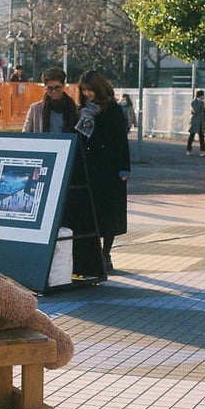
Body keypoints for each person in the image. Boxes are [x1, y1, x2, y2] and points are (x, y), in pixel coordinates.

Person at [75, 70, 130, 272]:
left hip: (109, 168)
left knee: (109, 213)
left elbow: (120, 140)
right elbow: (79, 138)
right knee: (91, 213)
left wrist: (124, 168)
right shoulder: (82, 111)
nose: (87, 94)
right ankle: (96, 253)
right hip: (88, 167)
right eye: (84, 91)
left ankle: (106, 253)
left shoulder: (113, 109)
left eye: (90, 90)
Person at [22, 67, 78, 134]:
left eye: (57, 87)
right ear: (45, 87)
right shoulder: (35, 109)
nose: (54, 91)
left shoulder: (76, 109)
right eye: (50, 88)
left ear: (63, 85)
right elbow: (25, 135)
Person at [186, 90, 205, 156]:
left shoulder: (202, 102)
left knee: (201, 137)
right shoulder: (194, 102)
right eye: (203, 95)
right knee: (192, 136)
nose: (204, 96)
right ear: (201, 95)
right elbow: (196, 110)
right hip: (194, 121)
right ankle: (189, 150)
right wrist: (201, 103)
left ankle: (202, 151)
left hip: (200, 122)